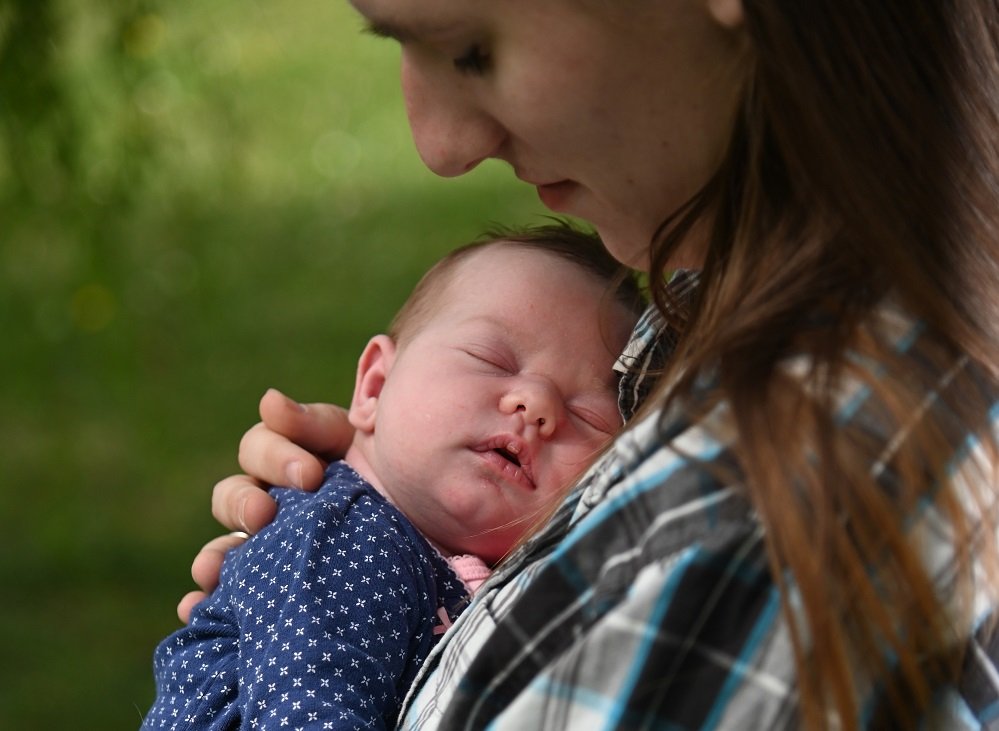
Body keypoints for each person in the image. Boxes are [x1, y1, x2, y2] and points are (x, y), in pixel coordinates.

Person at [183, 1, 999, 729]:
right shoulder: (712, 364)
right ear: (373, 383)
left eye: (471, 49)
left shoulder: (745, 537)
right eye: (487, 358)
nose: (440, 146)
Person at [141, 224, 643, 730]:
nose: (536, 405)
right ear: (375, 387)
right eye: (491, 359)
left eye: (588, 416)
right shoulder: (352, 538)